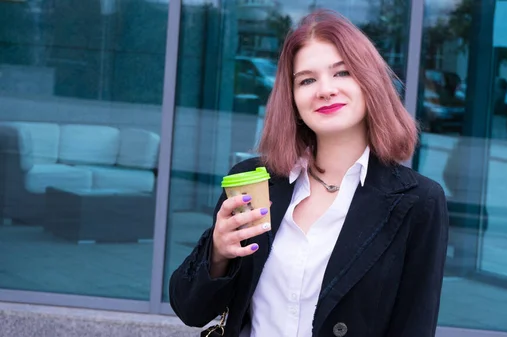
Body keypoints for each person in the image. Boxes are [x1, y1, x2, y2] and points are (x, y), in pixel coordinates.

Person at [169, 9, 449, 337]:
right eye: (307, 80)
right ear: (293, 99)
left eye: (342, 73)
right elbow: (190, 309)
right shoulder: (255, 181)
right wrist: (217, 251)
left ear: (369, 84)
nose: (325, 90)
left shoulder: (418, 202)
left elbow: (414, 325)